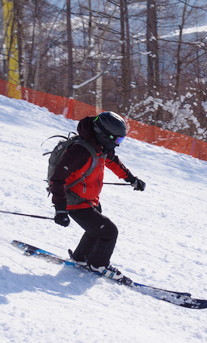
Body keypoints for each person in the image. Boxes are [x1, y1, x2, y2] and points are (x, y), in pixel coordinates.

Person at [48, 111, 146, 282]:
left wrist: (132, 179)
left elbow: (113, 162)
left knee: (95, 229)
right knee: (109, 231)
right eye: (117, 140)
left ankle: (80, 257)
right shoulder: (79, 151)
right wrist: (60, 209)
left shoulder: (99, 147)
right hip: (74, 201)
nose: (118, 144)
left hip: (88, 199)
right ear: (104, 135)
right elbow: (57, 179)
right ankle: (99, 265)